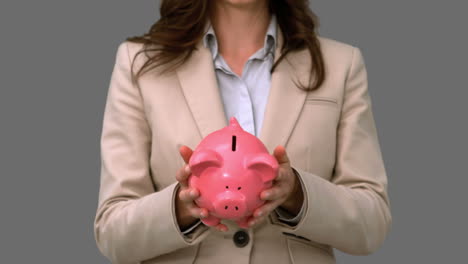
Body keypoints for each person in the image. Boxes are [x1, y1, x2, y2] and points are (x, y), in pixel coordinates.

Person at [93, 0, 392, 263]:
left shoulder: (341, 65)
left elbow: (372, 224)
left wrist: (297, 194)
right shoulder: (139, 63)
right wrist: (183, 206)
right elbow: (112, 233)